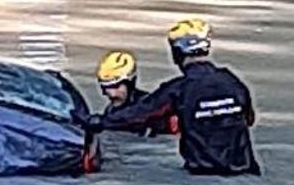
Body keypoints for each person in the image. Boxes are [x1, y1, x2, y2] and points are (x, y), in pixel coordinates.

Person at [86, 19, 261, 176]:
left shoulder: (178, 90)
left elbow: (138, 114)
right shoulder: (233, 81)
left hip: (202, 179)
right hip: (248, 174)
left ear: (176, 53)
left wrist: (96, 122)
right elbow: (250, 119)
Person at [96, 50, 178, 137]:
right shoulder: (111, 110)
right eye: (104, 87)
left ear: (130, 83)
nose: (111, 94)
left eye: (116, 86)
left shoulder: (150, 109)